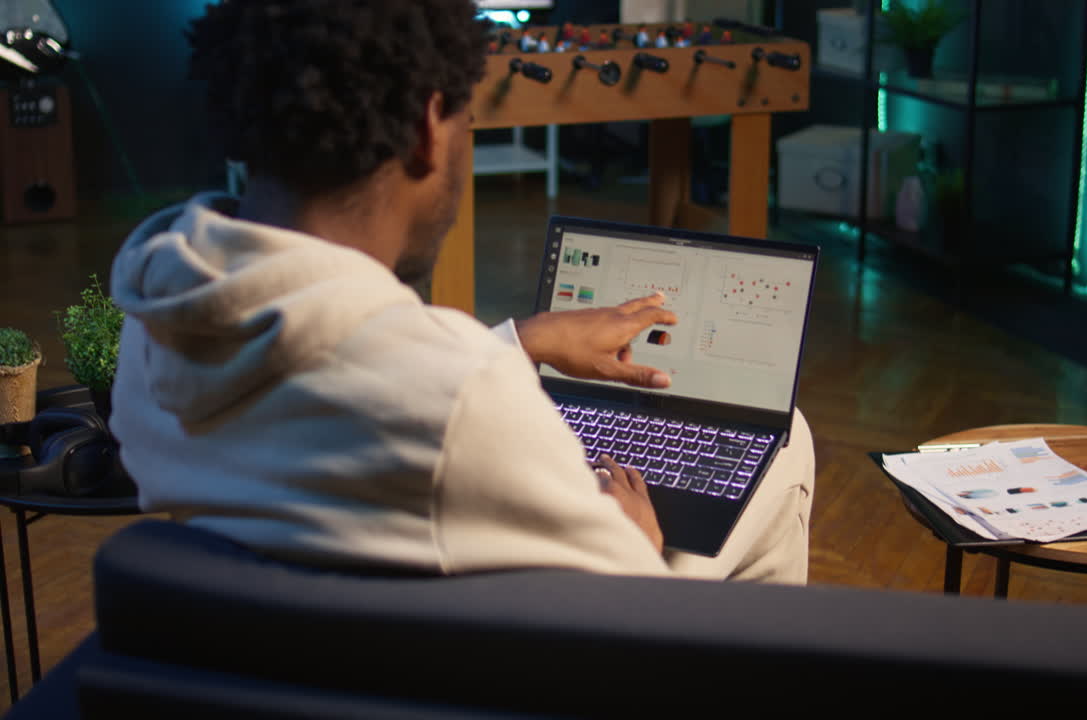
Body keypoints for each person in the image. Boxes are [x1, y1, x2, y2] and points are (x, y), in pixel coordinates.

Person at [108, 0, 814, 583]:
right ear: (427, 128)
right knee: (787, 448)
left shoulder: (154, 326)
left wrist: (519, 342)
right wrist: (634, 542)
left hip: (295, 659)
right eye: (467, 124)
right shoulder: (461, 404)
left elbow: (352, 358)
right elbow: (624, 620)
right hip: (508, 670)